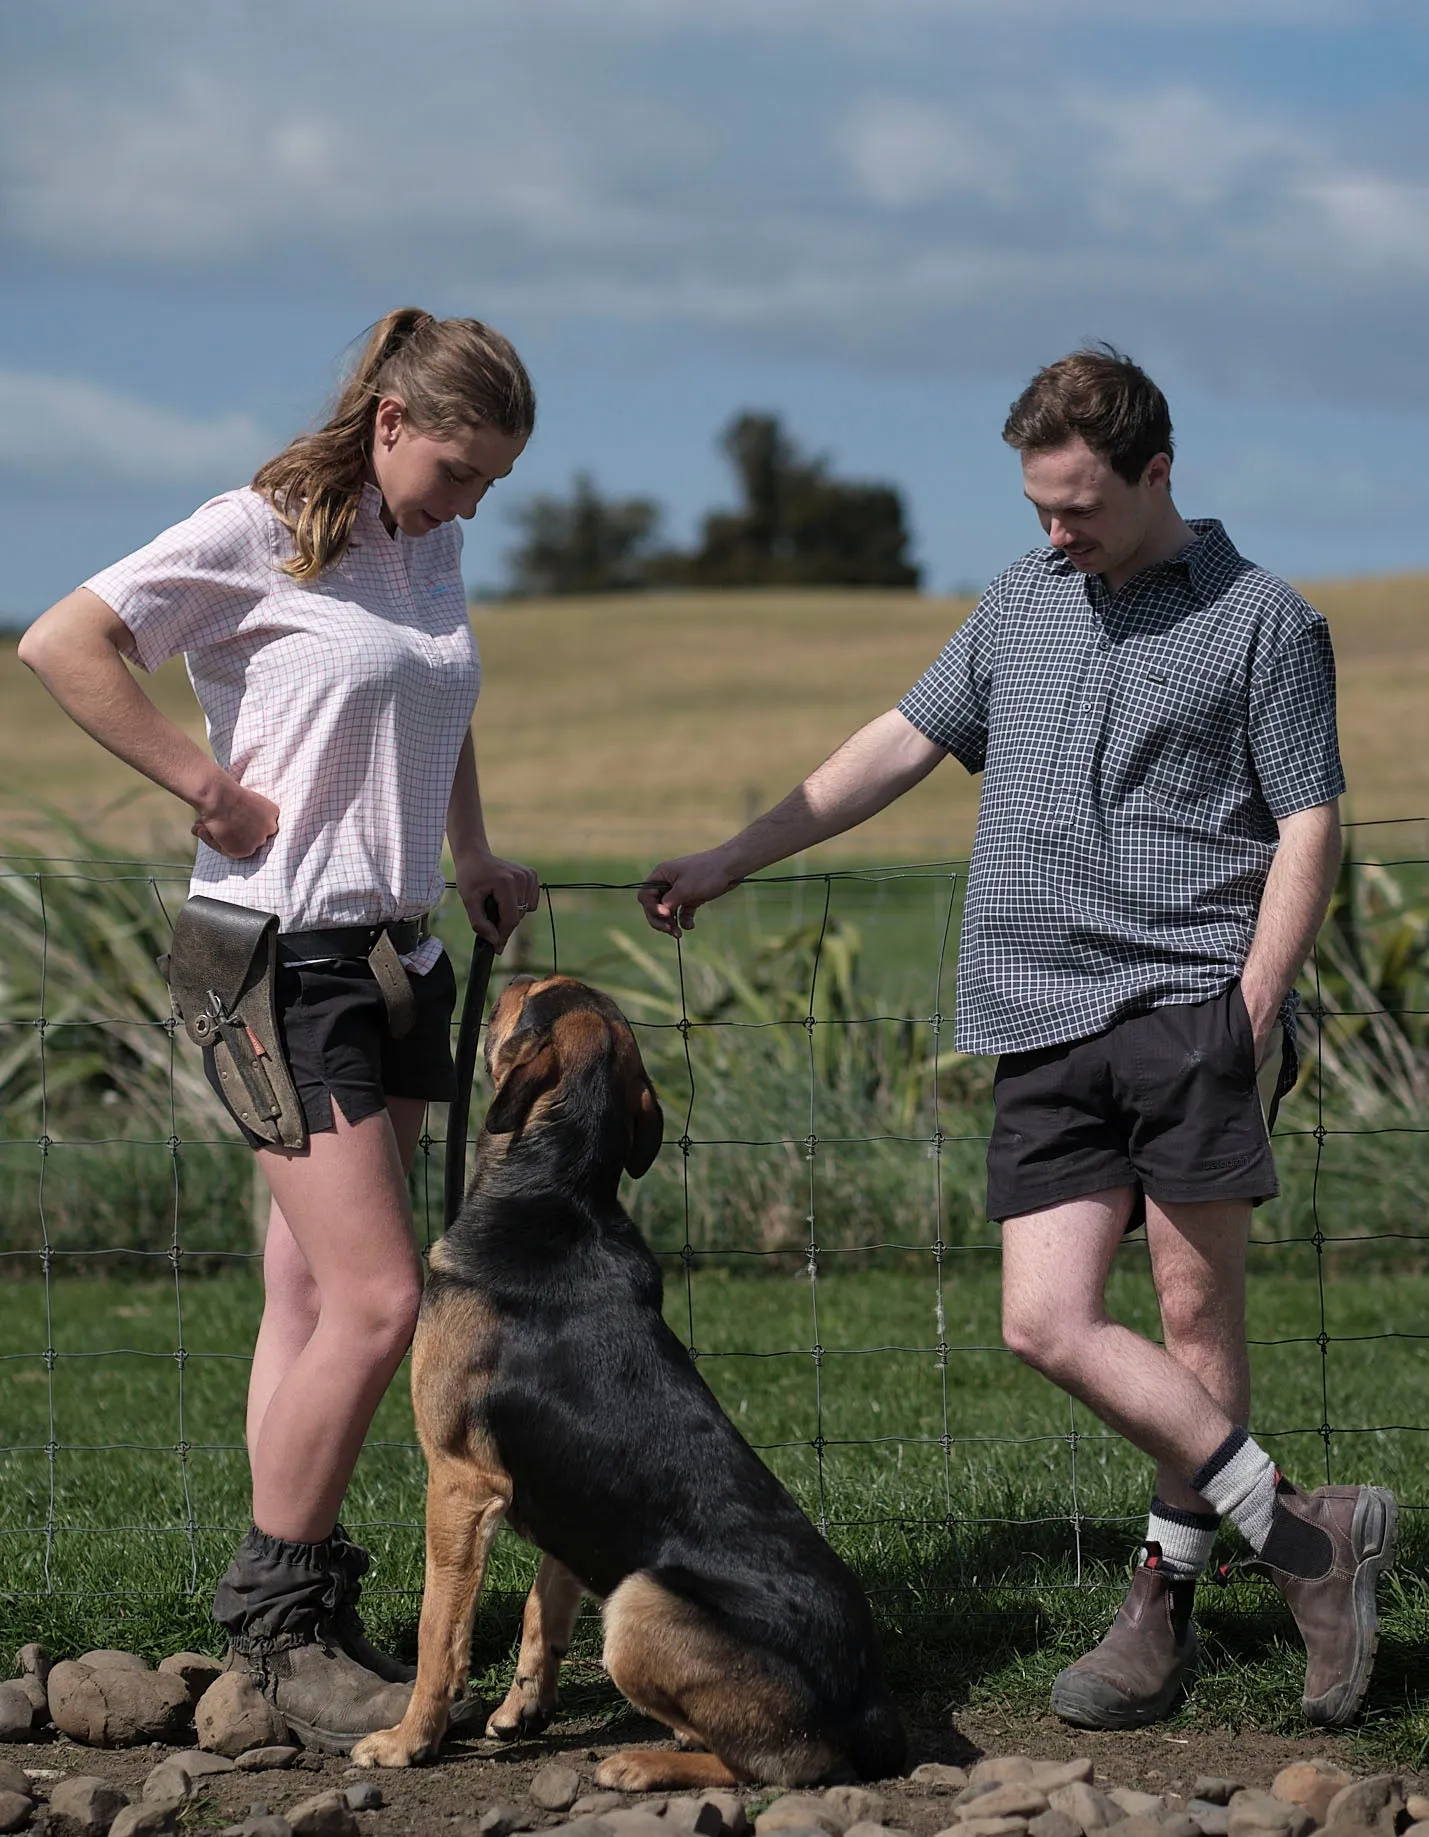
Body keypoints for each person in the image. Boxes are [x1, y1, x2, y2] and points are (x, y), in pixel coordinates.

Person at [637, 347, 1396, 1732]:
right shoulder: (1020, 604)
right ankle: (1305, 1531)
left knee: (1189, 1316)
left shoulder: (1262, 623)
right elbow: (900, 743)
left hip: (1189, 1005)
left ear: (1157, 472)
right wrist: (735, 854)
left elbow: (1308, 822)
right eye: (1041, 506)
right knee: (1044, 1322)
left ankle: (1160, 1610)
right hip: (1036, 1013)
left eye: (1080, 507)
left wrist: (1254, 1004)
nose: (1057, 533)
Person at [18, 307, 539, 1749]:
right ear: (388, 424)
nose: (468, 503)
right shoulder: (260, 529)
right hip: (270, 962)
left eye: (492, 483)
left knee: (313, 1301)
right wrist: (203, 782)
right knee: (382, 1304)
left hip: (397, 955)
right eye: (455, 471)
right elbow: (64, 641)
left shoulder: (424, 544)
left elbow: (432, 702)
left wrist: (477, 852)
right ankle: (279, 1619)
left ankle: (286, 1615)